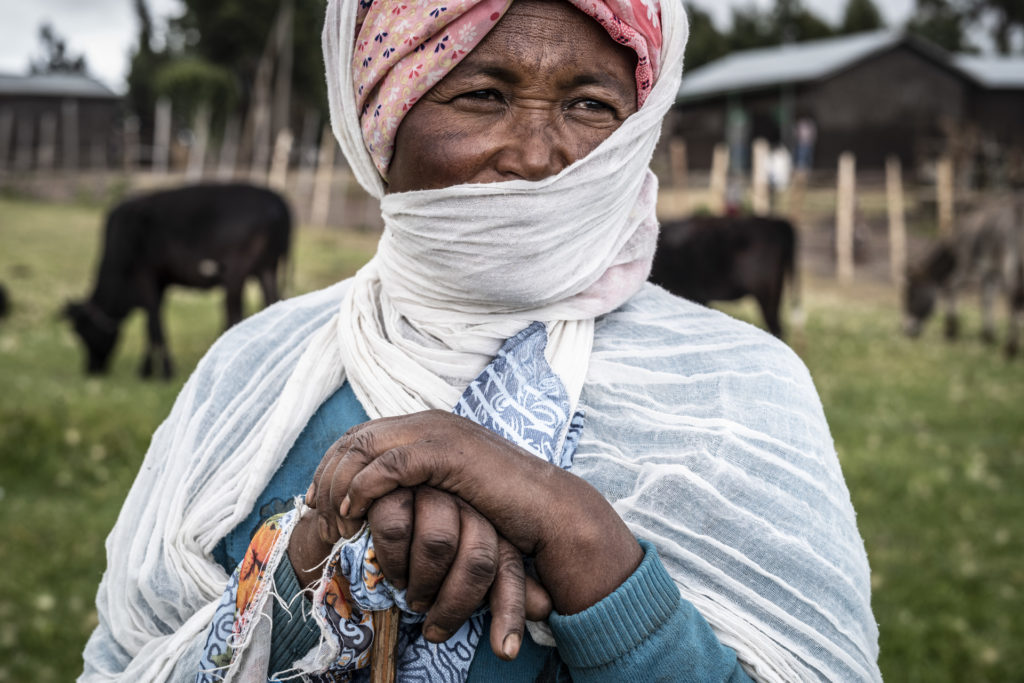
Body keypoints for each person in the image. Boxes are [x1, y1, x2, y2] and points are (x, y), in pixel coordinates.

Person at [80, 1, 881, 681]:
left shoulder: (739, 384)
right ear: (379, 118)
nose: (538, 155)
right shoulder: (257, 367)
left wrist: (580, 538)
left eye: (589, 105)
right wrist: (308, 571)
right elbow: (122, 658)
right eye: (484, 93)